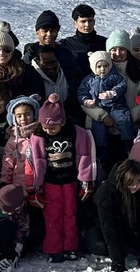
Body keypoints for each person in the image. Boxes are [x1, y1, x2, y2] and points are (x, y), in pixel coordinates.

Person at [25, 95, 96, 262]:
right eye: (46, 126)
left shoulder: (75, 132)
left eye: (53, 127)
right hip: (51, 183)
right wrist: (34, 187)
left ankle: (70, 247)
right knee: (53, 216)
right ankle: (54, 249)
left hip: (70, 181)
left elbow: (83, 156)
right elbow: (35, 162)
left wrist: (86, 181)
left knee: (70, 214)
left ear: (62, 122)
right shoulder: (39, 137)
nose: (49, 130)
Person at [95, 159, 140, 271]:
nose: (135, 186)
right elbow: (108, 226)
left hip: (128, 226)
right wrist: (118, 260)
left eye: (138, 181)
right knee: (99, 246)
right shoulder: (107, 191)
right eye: (131, 182)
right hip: (102, 226)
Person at [58, 3, 105, 91]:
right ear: (75, 23)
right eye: (83, 21)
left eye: (90, 21)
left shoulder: (104, 43)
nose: (87, 25)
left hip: (102, 91)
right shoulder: (66, 45)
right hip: (74, 91)